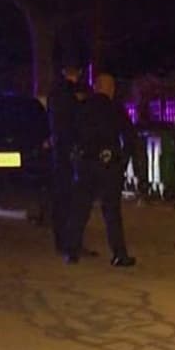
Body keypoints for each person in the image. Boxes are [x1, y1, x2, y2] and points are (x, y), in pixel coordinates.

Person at [64, 73, 140, 267]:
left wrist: (76, 157)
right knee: (112, 211)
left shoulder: (83, 107)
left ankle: (72, 251)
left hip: (86, 164)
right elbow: (130, 137)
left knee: (80, 208)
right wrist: (123, 161)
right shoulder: (115, 108)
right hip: (109, 165)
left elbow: (70, 134)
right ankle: (119, 254)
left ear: (96, 87)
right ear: (111, 89)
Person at [45, 62, 92, 255]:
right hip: (72, 152)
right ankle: (71, 243)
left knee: (62, 198)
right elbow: (78, 122)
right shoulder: (72, 94)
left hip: (60, 152)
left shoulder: (55, 93)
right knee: (73, 200)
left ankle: (63, 241)